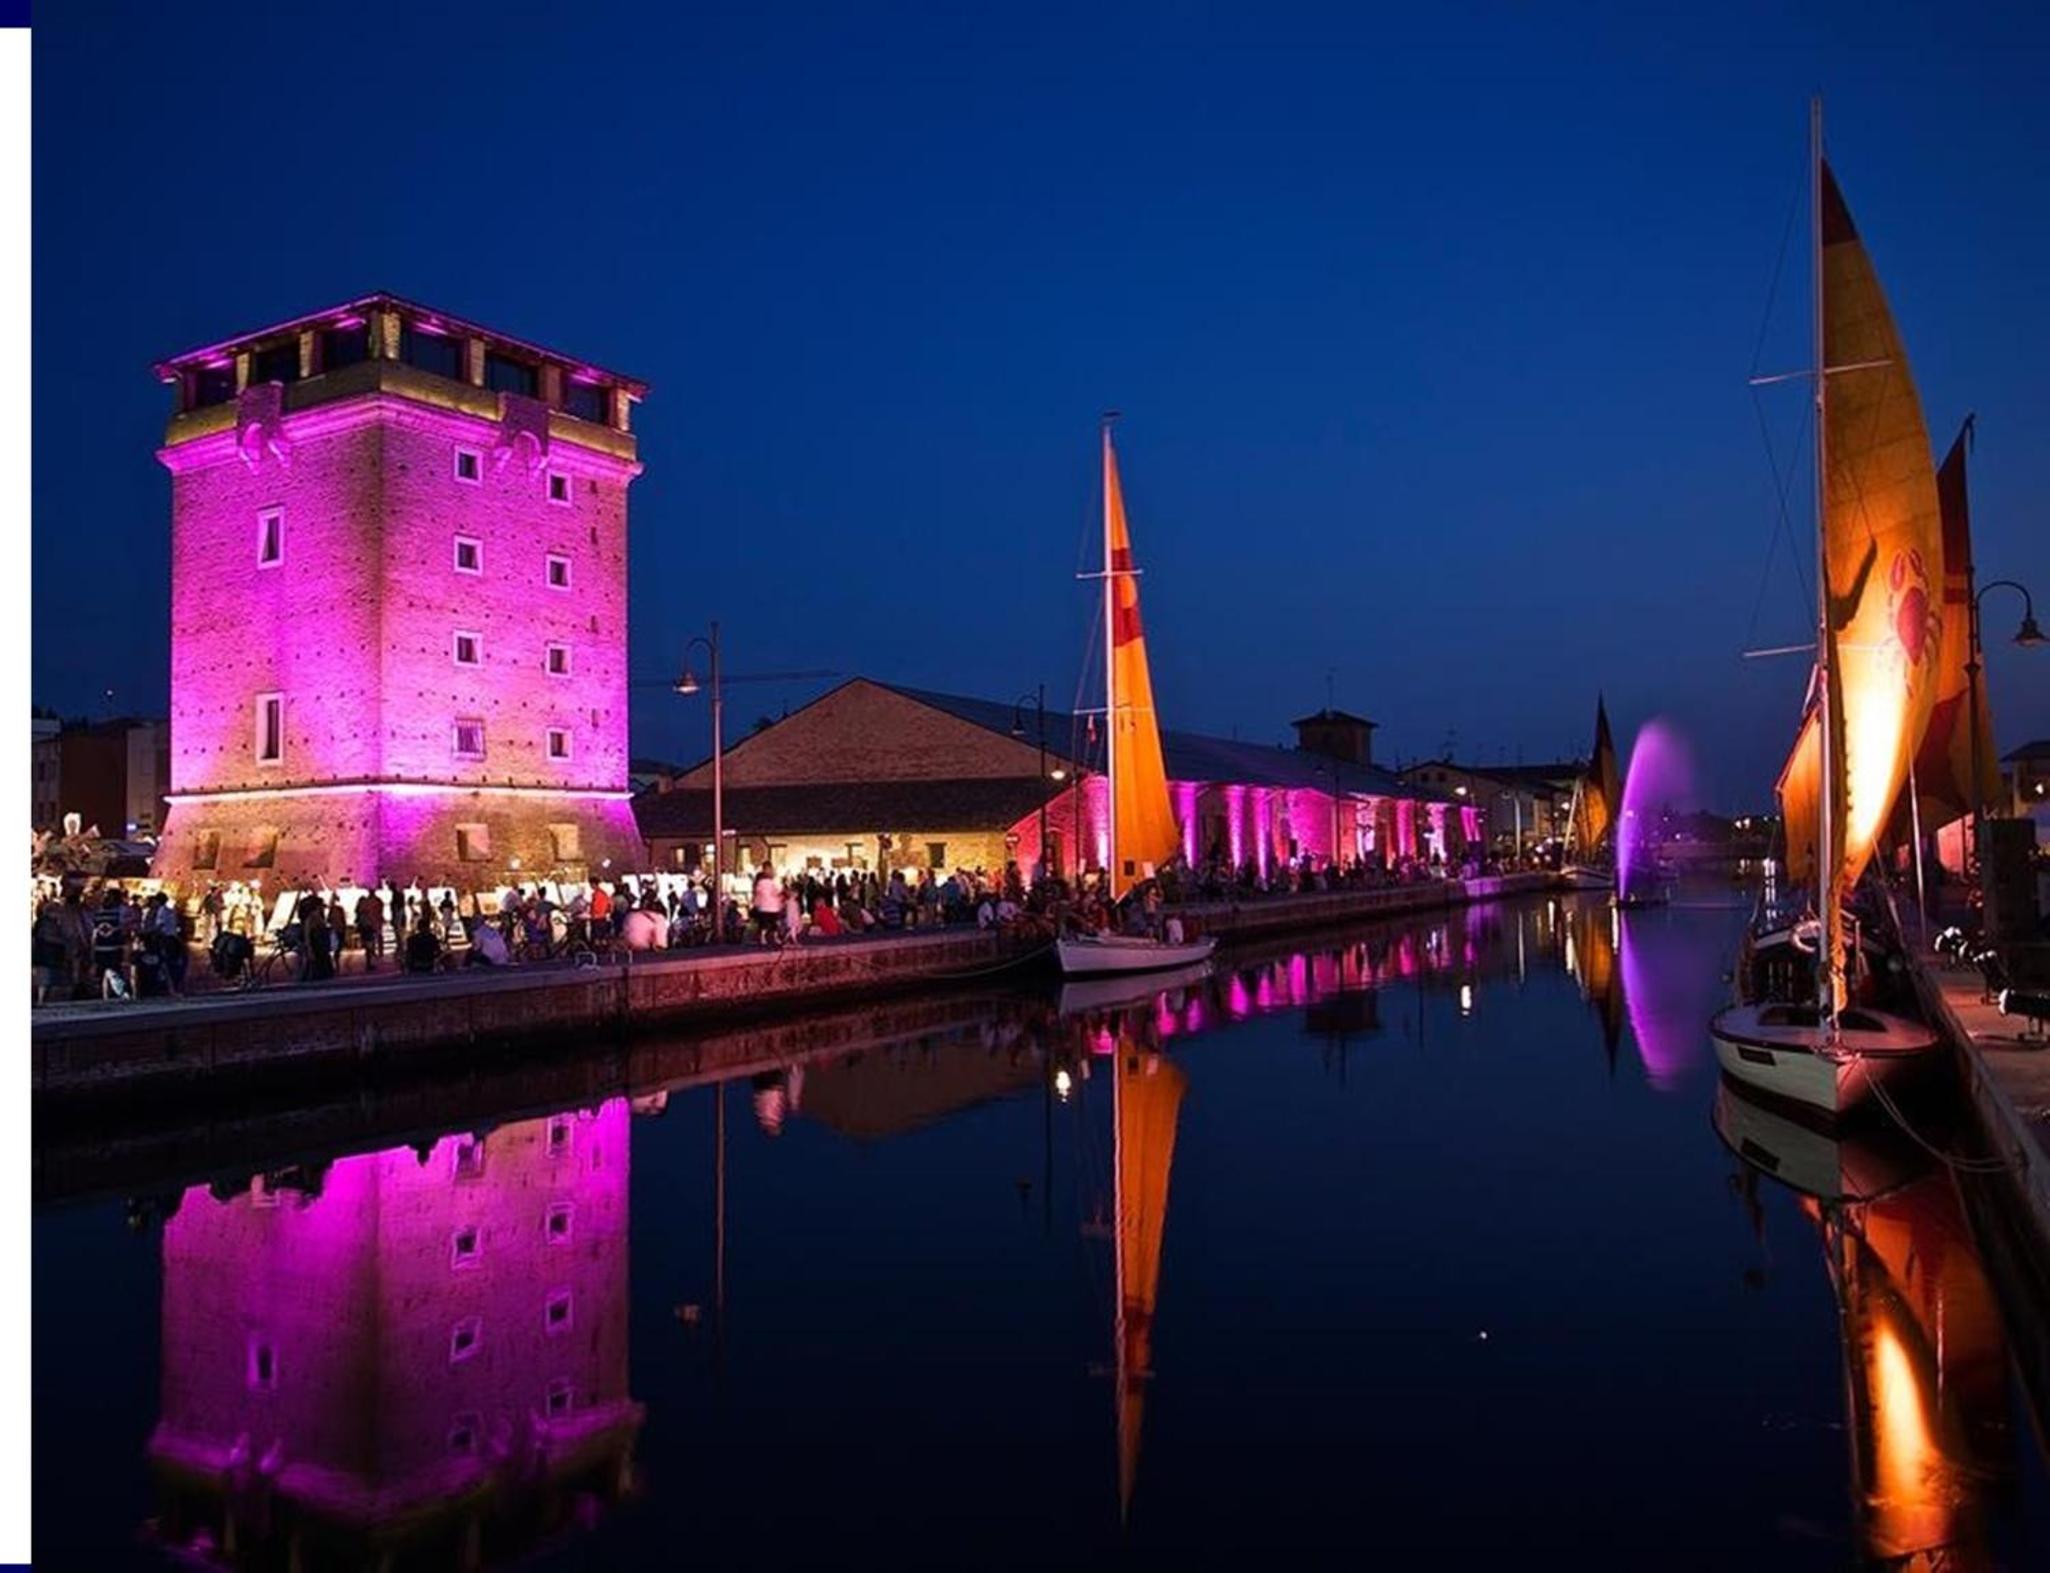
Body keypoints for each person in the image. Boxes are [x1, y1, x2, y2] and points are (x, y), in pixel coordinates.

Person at [751, 862, 784, 945]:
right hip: (772, 906)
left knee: (765, 924)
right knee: (773, 923)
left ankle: (765, 938)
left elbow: (757, 893)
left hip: (765, 906)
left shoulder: (760, 883)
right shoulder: (773, 882)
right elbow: (777, 891)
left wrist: (756, 903)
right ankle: (772, 938)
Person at [355, 887, 386, 972]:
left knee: (369, 943)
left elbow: (360, 912)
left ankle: (372, 958)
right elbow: (380, 911)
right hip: (371, 925)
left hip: (368, 925)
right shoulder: (377, 901)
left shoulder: (365, 902)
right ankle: (375, 955)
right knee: (372, 941)